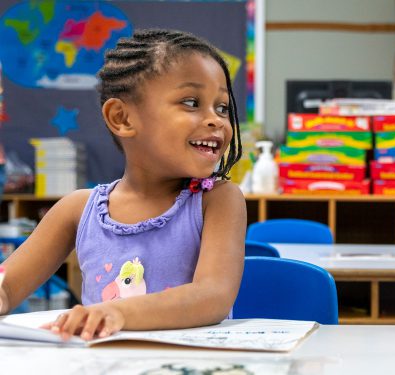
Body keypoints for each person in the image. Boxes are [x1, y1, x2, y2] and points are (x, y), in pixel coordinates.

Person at [0, 29, 246, 341]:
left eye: (222, 107)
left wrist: (116, 312)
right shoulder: (78, 209)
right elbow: (8, 283)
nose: (216, 120)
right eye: (191, 102)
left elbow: (212, 296)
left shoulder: (218, 200)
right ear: (122, 118)